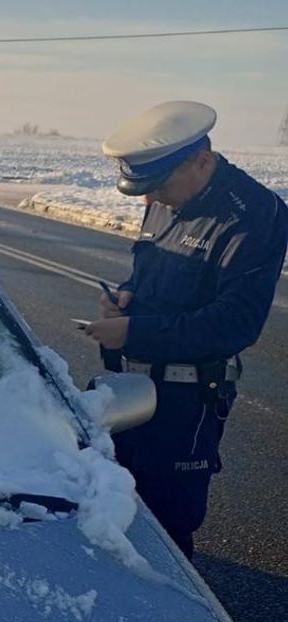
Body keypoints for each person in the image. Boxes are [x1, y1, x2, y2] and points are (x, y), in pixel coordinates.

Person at [85, 101, 288, 559]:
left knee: (163, 530)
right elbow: (152, 272)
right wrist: (125, 297)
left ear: (200, 160)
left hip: (183, 405)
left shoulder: (253, 216)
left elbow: (234, 324)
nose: (148, 201)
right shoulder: (164, 197)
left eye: (158, 186)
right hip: (128, 387)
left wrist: (134, 333)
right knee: (106, 505)